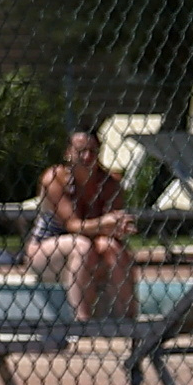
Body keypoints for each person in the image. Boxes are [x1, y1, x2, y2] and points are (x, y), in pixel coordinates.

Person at [32, 128, 140, 322]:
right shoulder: (55, 178)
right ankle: (82, 321)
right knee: (81, 246)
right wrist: (104, 223)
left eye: (93, 151)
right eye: (81, 151)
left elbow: (110, 228)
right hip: (47, 250)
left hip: (94, 249)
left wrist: (119, 227)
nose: (87, 156)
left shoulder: (109, 182)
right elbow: (71, 225)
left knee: (113, 247)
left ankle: (128, 319)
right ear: (68, 153)